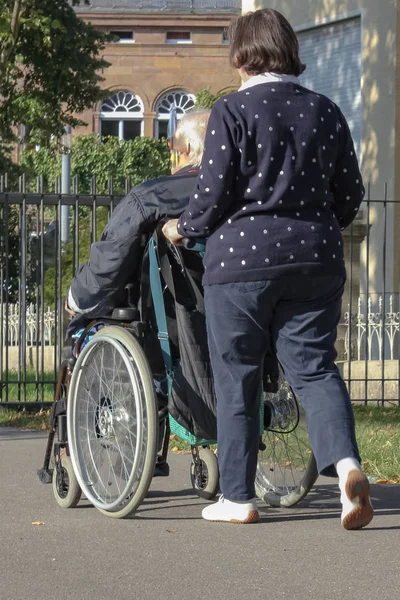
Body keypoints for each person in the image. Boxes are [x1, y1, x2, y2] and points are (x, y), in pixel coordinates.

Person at [163, 8, 373, 529]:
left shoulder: (231, 112)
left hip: (242, 264)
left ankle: (237, 496)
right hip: (316, 262)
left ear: (243, 54)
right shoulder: (326, 111)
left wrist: (182, 227)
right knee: (316, 369)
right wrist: (318, 226)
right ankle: (348, 470)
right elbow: (350, 194)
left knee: (238, 376)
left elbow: (211, 197)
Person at [65, 109, 210, 477]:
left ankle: (102, 442)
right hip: (224, 317)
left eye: (173, 146)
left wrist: (77, 297)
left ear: (188, 147)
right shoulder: (247, 192)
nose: (171, 154)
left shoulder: (153, 195)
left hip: (164, 327)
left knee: (84, 326)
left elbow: (109, 263)